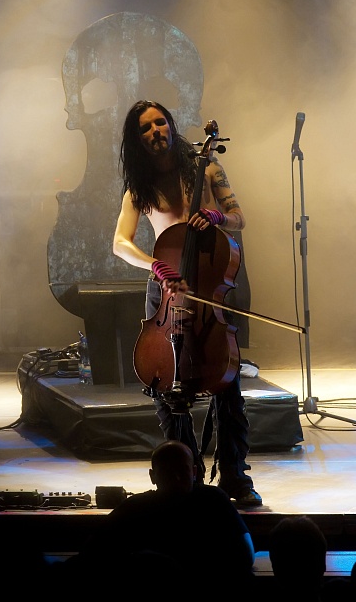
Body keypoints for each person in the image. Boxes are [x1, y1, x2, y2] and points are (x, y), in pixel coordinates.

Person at [112, 99, 262, 507]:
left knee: (225, 381)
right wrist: (156, 266)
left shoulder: (207, 168)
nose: (156, 130)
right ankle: (186, 474)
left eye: (161, 122)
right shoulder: (139, 189)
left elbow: (239, 217)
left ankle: (234, 475)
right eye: (146, 127)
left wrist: (217, 219)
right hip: (167, 288)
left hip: (209, 280)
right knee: (166, 383)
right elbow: (120, 243)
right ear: (137, 138)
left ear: (172, 126)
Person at [55, 441, 256, 590]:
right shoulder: (212, 500)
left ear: (194, 472)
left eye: (182, 472)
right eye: (170, 473)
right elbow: (246, 553)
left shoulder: (136, 507)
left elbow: (91, 552)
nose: (177, 479)